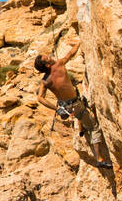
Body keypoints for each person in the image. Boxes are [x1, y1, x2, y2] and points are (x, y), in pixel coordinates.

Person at [34, 40, 113, 170]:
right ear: (47, 65)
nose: (50, 56)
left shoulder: (45, 81)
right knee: (94, 127)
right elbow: (71, 53)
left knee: (79, 104)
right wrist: (80, 42)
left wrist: (57, 108)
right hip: (74, 105)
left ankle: (81, 129)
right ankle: (99, 158)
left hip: (65, 106)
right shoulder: (59, 64)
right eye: (48, 57)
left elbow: (40, 98)